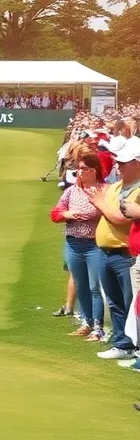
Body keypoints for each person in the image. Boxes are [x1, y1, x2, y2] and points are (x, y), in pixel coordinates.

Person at [89, 138, 140, 360]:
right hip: (105, 251)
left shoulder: (137, 190)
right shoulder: (117, 186)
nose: (118, 166)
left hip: (124, 254)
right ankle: (123, 344)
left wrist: (101, 203)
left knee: (131, 304)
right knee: (115, 302)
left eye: (123, 163)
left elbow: (120, 218)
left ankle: (134, 345)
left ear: (137, 163)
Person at [51, 152, 105, 340]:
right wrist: (67, 214)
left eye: (84, 169)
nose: (80, 172)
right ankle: (86, 321)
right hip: (73, 243)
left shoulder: (103, 190)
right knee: (81, 285)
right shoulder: (72, 191)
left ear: (94, 170)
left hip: (94, 244)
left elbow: (109, 212)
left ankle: (98, 326)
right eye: (79, 169)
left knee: (94, 287)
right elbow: (55, 214)